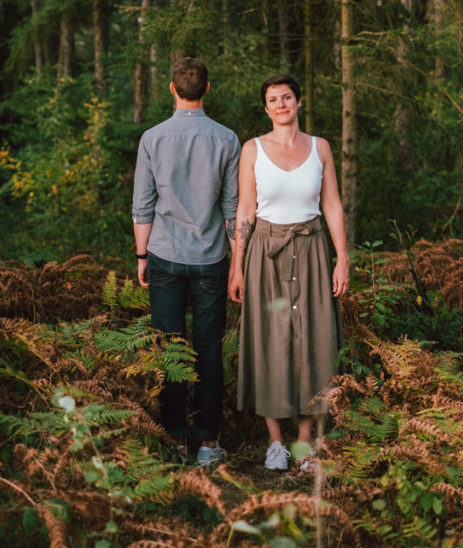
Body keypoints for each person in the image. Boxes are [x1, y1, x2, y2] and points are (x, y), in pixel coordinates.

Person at [228, 73, 349, 472]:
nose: (280, 104)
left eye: (286, 97)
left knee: (312, 343)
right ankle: (275, 443)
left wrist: (342, 256)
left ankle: (304, 444)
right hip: (264, 253)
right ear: (265, 108)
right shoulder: (252, 150)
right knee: (269, 342)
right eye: (272, 100)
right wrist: (237, 266)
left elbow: (331, 204)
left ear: (299, 102)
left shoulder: (321, 148)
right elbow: (245, 211)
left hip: (312, 250)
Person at [132, 58, 240, 466]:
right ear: (208, 88)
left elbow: (143, 204)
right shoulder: (227, 139)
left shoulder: (153, 138)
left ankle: (175, 440)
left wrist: (142, 255)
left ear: (172, 90)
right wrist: (238, 262)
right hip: (212, 257)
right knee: (209, 350)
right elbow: (233, 208)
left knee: (169, 349)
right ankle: (208, 444)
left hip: (164, 255)